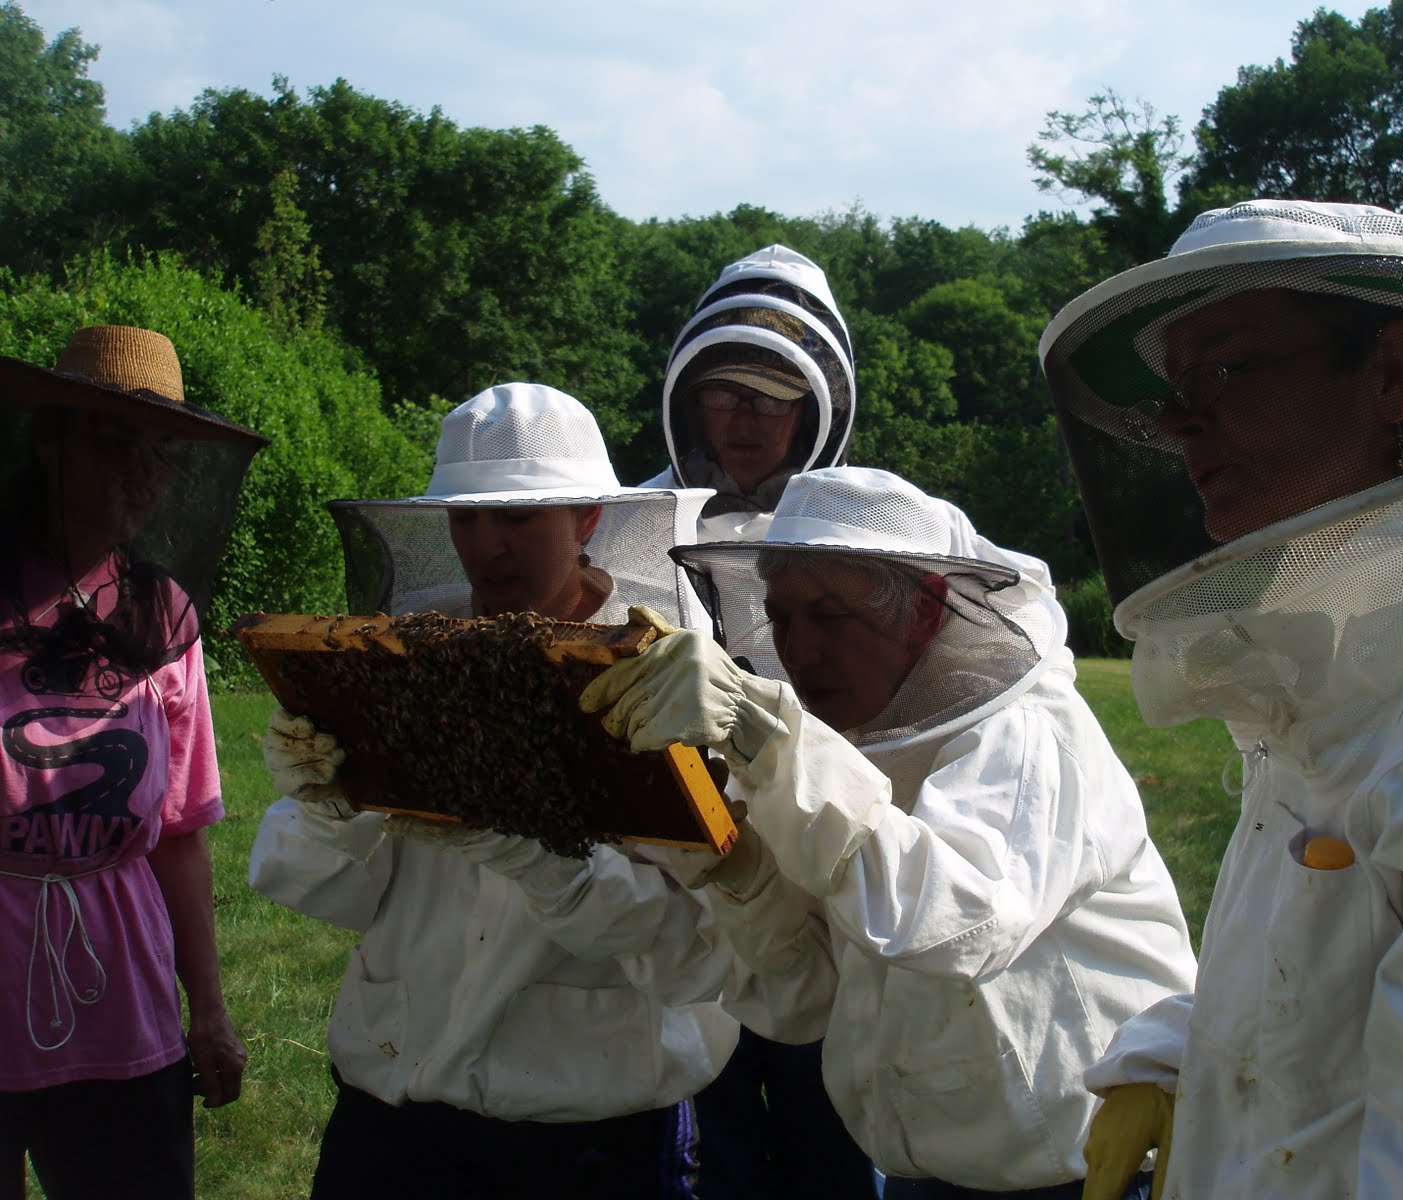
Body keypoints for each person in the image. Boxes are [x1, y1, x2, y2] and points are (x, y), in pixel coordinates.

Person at [1038, 198, 1403, 1197]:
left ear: (1391, 374)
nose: (1175, 420)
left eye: (1219, 371)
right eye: (1173, 387)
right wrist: (1179, 1056)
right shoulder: (1347, 653)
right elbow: (1341, 962)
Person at [580, 465, 1198, 1197]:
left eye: (831, 615)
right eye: (782, 617)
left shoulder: (1028, 731)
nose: (800, 652)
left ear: (927, 610)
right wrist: (744, 881)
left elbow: (959, 920)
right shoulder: (834, 746)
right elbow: (807, 996)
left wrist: (767, 741)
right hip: (922, 1173)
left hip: (1093, 1171)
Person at [247, 382, 740, 1199]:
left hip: (588, 1137)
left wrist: (555, 869)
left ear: (587, 518)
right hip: (392, 1116)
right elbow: (319, 890)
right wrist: (327, 805)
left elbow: (698, 956)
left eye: (516, 519)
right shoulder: (404, 657)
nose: (487, 546)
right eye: (466, 519)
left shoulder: (663, 683)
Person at [0, 326, 264, 1198]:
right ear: (50, 441)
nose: (144, 477)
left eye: (161, 454)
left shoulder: (161, 613)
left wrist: (211, 1012)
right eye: (118, 446)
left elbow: (180, 832)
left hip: (124, 997)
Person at [645, 246, 876, 1199]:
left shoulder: (861, 527)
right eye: (727, 391)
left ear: (814, 407)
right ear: (691, 398)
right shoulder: (637, 517)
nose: (745, 417)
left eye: (774, 393)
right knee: (716, 1132)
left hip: (821, 872)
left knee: (836, 1129)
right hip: (686, 880)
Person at [644, 244, 856, 541]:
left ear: (809, 414)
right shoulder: (628, 526)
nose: (743, 422)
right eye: (721, 397)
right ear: (692, 407)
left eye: (771, 400)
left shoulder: (866, 535)